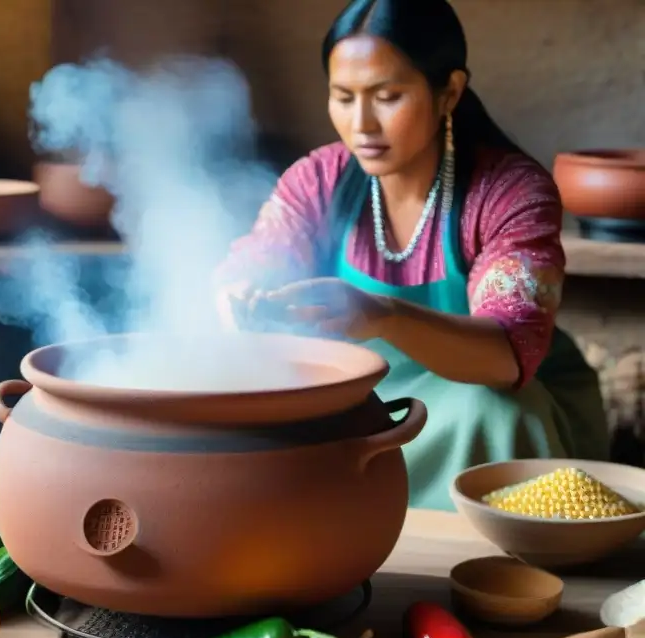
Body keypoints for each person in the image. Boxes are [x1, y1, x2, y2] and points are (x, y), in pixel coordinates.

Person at [213, 0, 609, 511]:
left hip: (479, 403)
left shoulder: (510, 193)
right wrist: (239, 295)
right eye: (343, 97)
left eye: (387, 96)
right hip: (365, 405)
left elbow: (505, 356)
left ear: (449, 92)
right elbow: (254, 263)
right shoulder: (319, 180)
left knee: (494, 412)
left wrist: (382, 315)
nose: (362, 124)